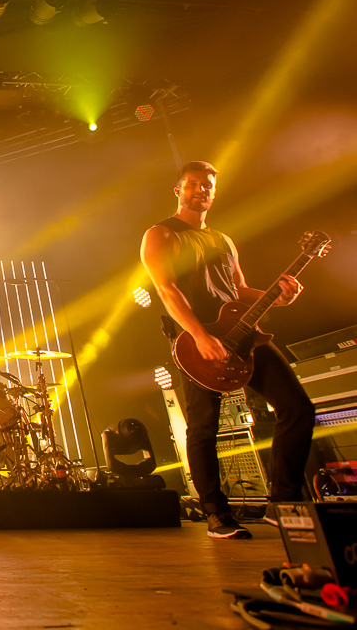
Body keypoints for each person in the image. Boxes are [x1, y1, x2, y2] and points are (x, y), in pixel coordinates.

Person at [140, 161, 314, 540]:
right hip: (197, 341)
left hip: (244, 332)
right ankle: (216, 514)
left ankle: (283, 502)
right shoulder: (161, 233)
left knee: (298, 408)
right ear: (178, 190)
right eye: (193, 184)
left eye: (207, 185)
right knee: (204, 427)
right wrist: (199, 335)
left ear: (214, 193)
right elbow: (166, 289)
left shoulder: (223, 240)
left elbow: (239, 290)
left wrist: (278, 296)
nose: (201, 190)